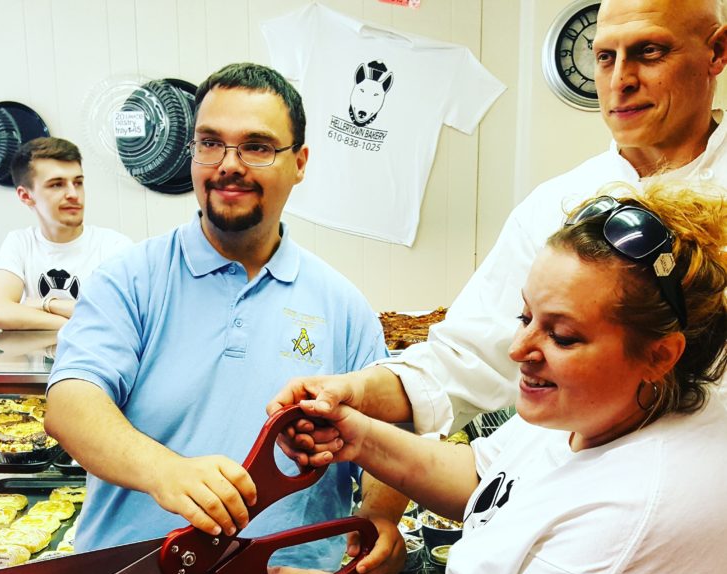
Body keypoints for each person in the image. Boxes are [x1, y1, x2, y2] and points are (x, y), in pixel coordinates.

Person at [269, 183, 727, 574]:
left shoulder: (631, 531)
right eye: (525, 317)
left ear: (661, 354)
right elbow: (485, 478)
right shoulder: (604, 406)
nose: (518, 349)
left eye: (563, 337)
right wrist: (358, 435)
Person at [44, 63, 407, 574]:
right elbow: (72, 404)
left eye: (256, 146)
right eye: (210, 142)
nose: (228, 163)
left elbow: (385, 430)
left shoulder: (342, 304)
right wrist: (165, 472)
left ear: (299, 162)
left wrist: (379, 510)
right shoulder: (129, 280)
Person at [268, 0, 727, 436]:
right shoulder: (555, 208)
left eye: (650, 51)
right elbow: (469, 356)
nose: (621, 79)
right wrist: (354, 391)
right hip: (576, 488)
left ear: (717, 52)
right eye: (605, 57)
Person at [0, 137, 131, 331]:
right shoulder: (20, 242)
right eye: (56, 184)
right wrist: (74, 324)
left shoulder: (114, 246)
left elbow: (119, 316)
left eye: (78, 182)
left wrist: (46, 304)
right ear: (26, 196)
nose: (73, 194)